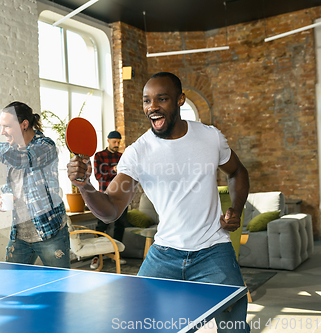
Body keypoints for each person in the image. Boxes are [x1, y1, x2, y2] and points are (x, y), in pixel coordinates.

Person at [68, 72, 250, 332]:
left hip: (214, 252)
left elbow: (237, 171)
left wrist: (236, 209)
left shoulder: (210, 137)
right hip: (164, 256)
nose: (152, 107)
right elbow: (111, 210)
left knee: (234, 329)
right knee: (138, 324)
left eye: (161, 99)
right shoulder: (137, 153)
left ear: (180, 100)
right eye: (146, 101)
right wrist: (84, 186)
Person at [0, 102, 70, 268]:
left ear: (24, 124)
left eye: (7, 126)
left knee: (61, 285)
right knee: (11, 285)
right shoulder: (14, 150)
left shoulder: (45, 146)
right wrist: (5, 197)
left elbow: (20, 159)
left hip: (49, 232)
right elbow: (17, 183)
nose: (2, 132)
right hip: (20, 235)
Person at [90, 130, 128, 269]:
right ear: (108, 141)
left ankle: (116, 254)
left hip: (122, 197)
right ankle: (96, 256)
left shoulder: (122, 156)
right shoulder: (99, 156)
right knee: (101, 227)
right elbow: (99, 177)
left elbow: (126, 177)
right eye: (114, 142)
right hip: (104, 197)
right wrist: (114, 169)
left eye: (119, 142)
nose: (117, 144)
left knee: (120, 227)